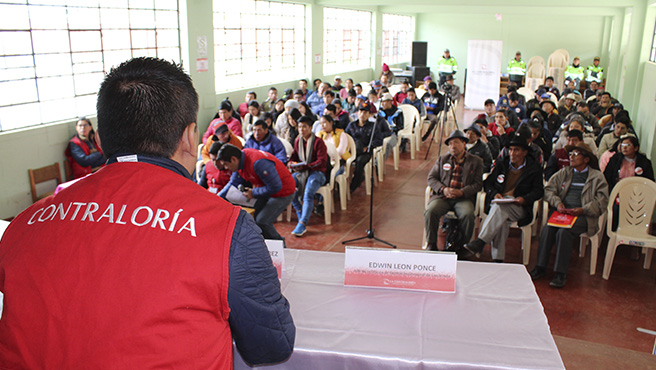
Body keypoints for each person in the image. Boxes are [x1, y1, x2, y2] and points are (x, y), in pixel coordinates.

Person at [0, 57, 295, 367]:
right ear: (190, 136)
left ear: (101, 137)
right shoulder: (225, 228)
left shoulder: (27, 220)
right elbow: (272, 347)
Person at [530, 142, 609, 288]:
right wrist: (558, 203)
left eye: (576, 154)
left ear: (586, 159)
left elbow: (601, 202)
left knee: (564, 232)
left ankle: (561, 273)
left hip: (583, 216)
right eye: (571, 154)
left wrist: (583, 209)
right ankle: (540, 267)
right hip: (563, 214)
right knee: (548, 228)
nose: (571, 157)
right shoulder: (564, 172)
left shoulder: (597, 177)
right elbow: (549, 190)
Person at [464, 136, 544, 262]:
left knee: (499, 209)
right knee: (501, 217)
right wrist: (495, 193)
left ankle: (480, 242)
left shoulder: (533, 169)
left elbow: (538, 191)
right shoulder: (503, 164)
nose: (512, 153)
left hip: (520, 207)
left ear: (524, 152)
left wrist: (525, 199)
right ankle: (498, 259)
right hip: (501, 203)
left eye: (516, 150)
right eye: (510, 150)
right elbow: (488, 183)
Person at [217, 144, 296, 241]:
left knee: (263, 221)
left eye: (225, 164)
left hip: (283, 192)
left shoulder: (258, 163)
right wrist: (216, 199)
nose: (225, 168)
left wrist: (254, 193)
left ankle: (279, 245)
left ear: (233, 159)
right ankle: (263, 244)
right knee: (252, 218)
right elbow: (232, 183)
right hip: (266, 190)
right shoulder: (239, 162)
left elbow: (275, 186)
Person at [425, 130, 483, 251]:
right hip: (443, 197)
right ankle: (431, 243)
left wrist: (462, 192)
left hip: (463, 198)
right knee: (431, 211)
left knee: (468, 215)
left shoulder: (476, 161)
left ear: (464, 144)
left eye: (456, 143)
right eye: (450, 144)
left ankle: (463, 246)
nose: (453, 146)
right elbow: (431, 178)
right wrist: (443, 189)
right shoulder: (443, 159)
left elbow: (478, 184)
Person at [289, 118, 329, 237]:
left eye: (304, 127)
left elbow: (321, 162)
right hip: (303, 172)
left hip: (317, 173)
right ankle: (300, 212)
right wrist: (291, 163)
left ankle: (302, 223)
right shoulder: (298, 141)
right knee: (289, 186)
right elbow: (294, 157)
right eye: (300, 127)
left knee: (308, 193)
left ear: (311, 128)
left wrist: (305, 166)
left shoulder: (318, 142)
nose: (301, 130)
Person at [345, 101, 384, 193]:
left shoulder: (373, 126)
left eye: (365, 112)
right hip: (353, 151)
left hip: (365, 153)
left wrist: (369, 147)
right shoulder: (352, 125)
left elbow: (379, 140)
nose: (362, 114)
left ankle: (354, 184)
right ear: (357, 113)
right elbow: (345, 138)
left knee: (359, 161)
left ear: (369, 114)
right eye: (361, 112)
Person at [378, 92, 404, 159]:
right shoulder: (379, 111)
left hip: (393, 134)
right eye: (382, 102)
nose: (382, 104)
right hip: (382, 133)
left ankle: (380, 162)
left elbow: (401, 126)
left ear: (390, 102)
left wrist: (392, 129)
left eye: (384, 102)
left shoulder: (398, 112)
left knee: (388, 144)